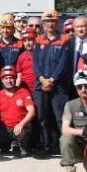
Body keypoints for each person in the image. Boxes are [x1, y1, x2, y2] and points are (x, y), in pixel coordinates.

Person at [33, 9, 71, 158]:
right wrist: (42, 79)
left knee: (61, 118)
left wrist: (52, 79)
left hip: (58, 86)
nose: (50, 24)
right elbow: (36, 62)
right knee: (42, 118)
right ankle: (46, 146)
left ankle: (65, 148)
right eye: (47, 21)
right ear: (43, 23)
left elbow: (63, 63)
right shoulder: (38, 40)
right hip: (41, 85)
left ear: (57, 23)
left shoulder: (65, 39)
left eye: (53, 21)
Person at [0, 66, 35, 157]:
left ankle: (22, 146)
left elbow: (32, 111)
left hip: (21, 127)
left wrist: (21, 124)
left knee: (23, 136)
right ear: (2, 80)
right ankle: (7, 144)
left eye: (11, 78)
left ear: (15, 79)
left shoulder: (23, 92)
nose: (9, 81)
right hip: (6, 128)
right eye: (6, 78)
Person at [59, 70, 87, 172]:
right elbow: (65, 129)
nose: (83, 89)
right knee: (65, 139)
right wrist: (83, 132)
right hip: (79, 143)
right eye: (79, 87)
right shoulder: (70, 105)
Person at [0, 14, 23, 85]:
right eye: (3, 27)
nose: (5, 30)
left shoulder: (20, 43)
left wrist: (19, 77)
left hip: (14, 79)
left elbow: (22, 63)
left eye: (8, 28)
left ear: (13, 29)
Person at [66, 15, 87, 99]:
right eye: (77, 27)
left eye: (83, 26)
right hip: (71, 86)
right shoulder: (68, 43)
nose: (80, 29)